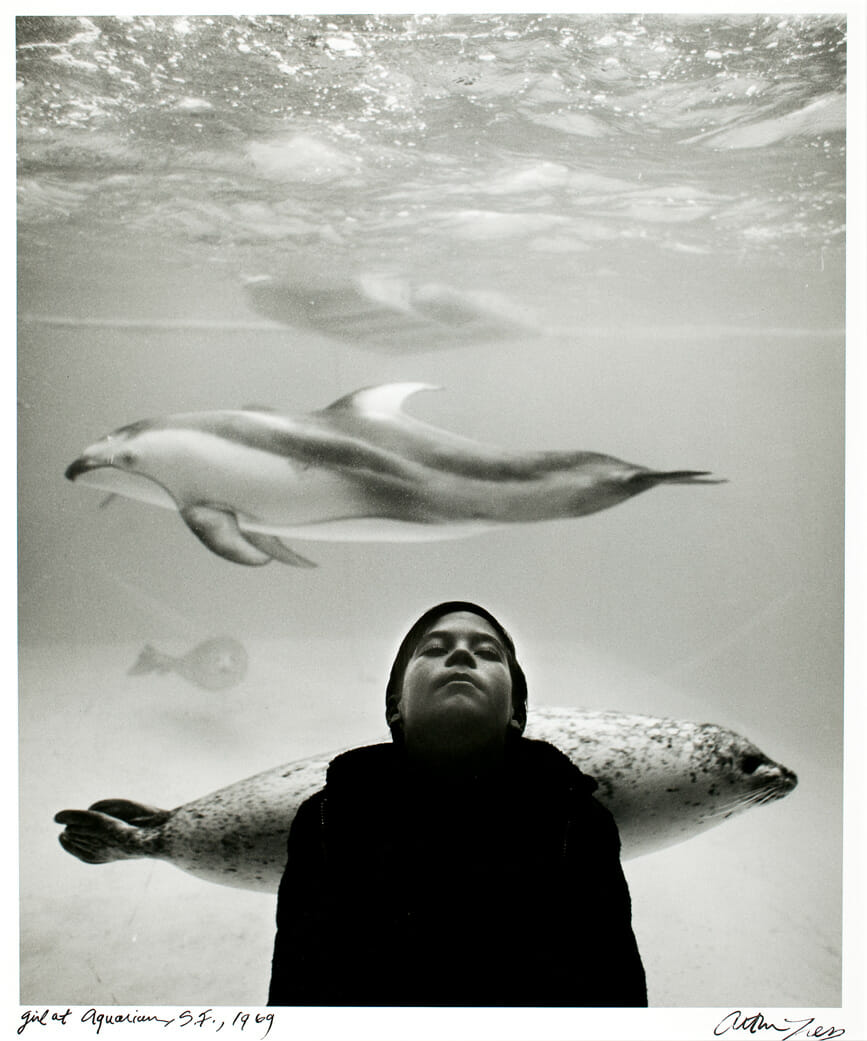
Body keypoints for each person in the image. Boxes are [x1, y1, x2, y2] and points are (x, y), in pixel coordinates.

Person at [268, 601, 647, 1007]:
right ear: (395, 704)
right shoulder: (324, 820)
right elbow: (295, 997)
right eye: (433, 649)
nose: (461, 654)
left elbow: (617, 1001)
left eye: (487, 653)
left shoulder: (581, 824)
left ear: (516, 714)